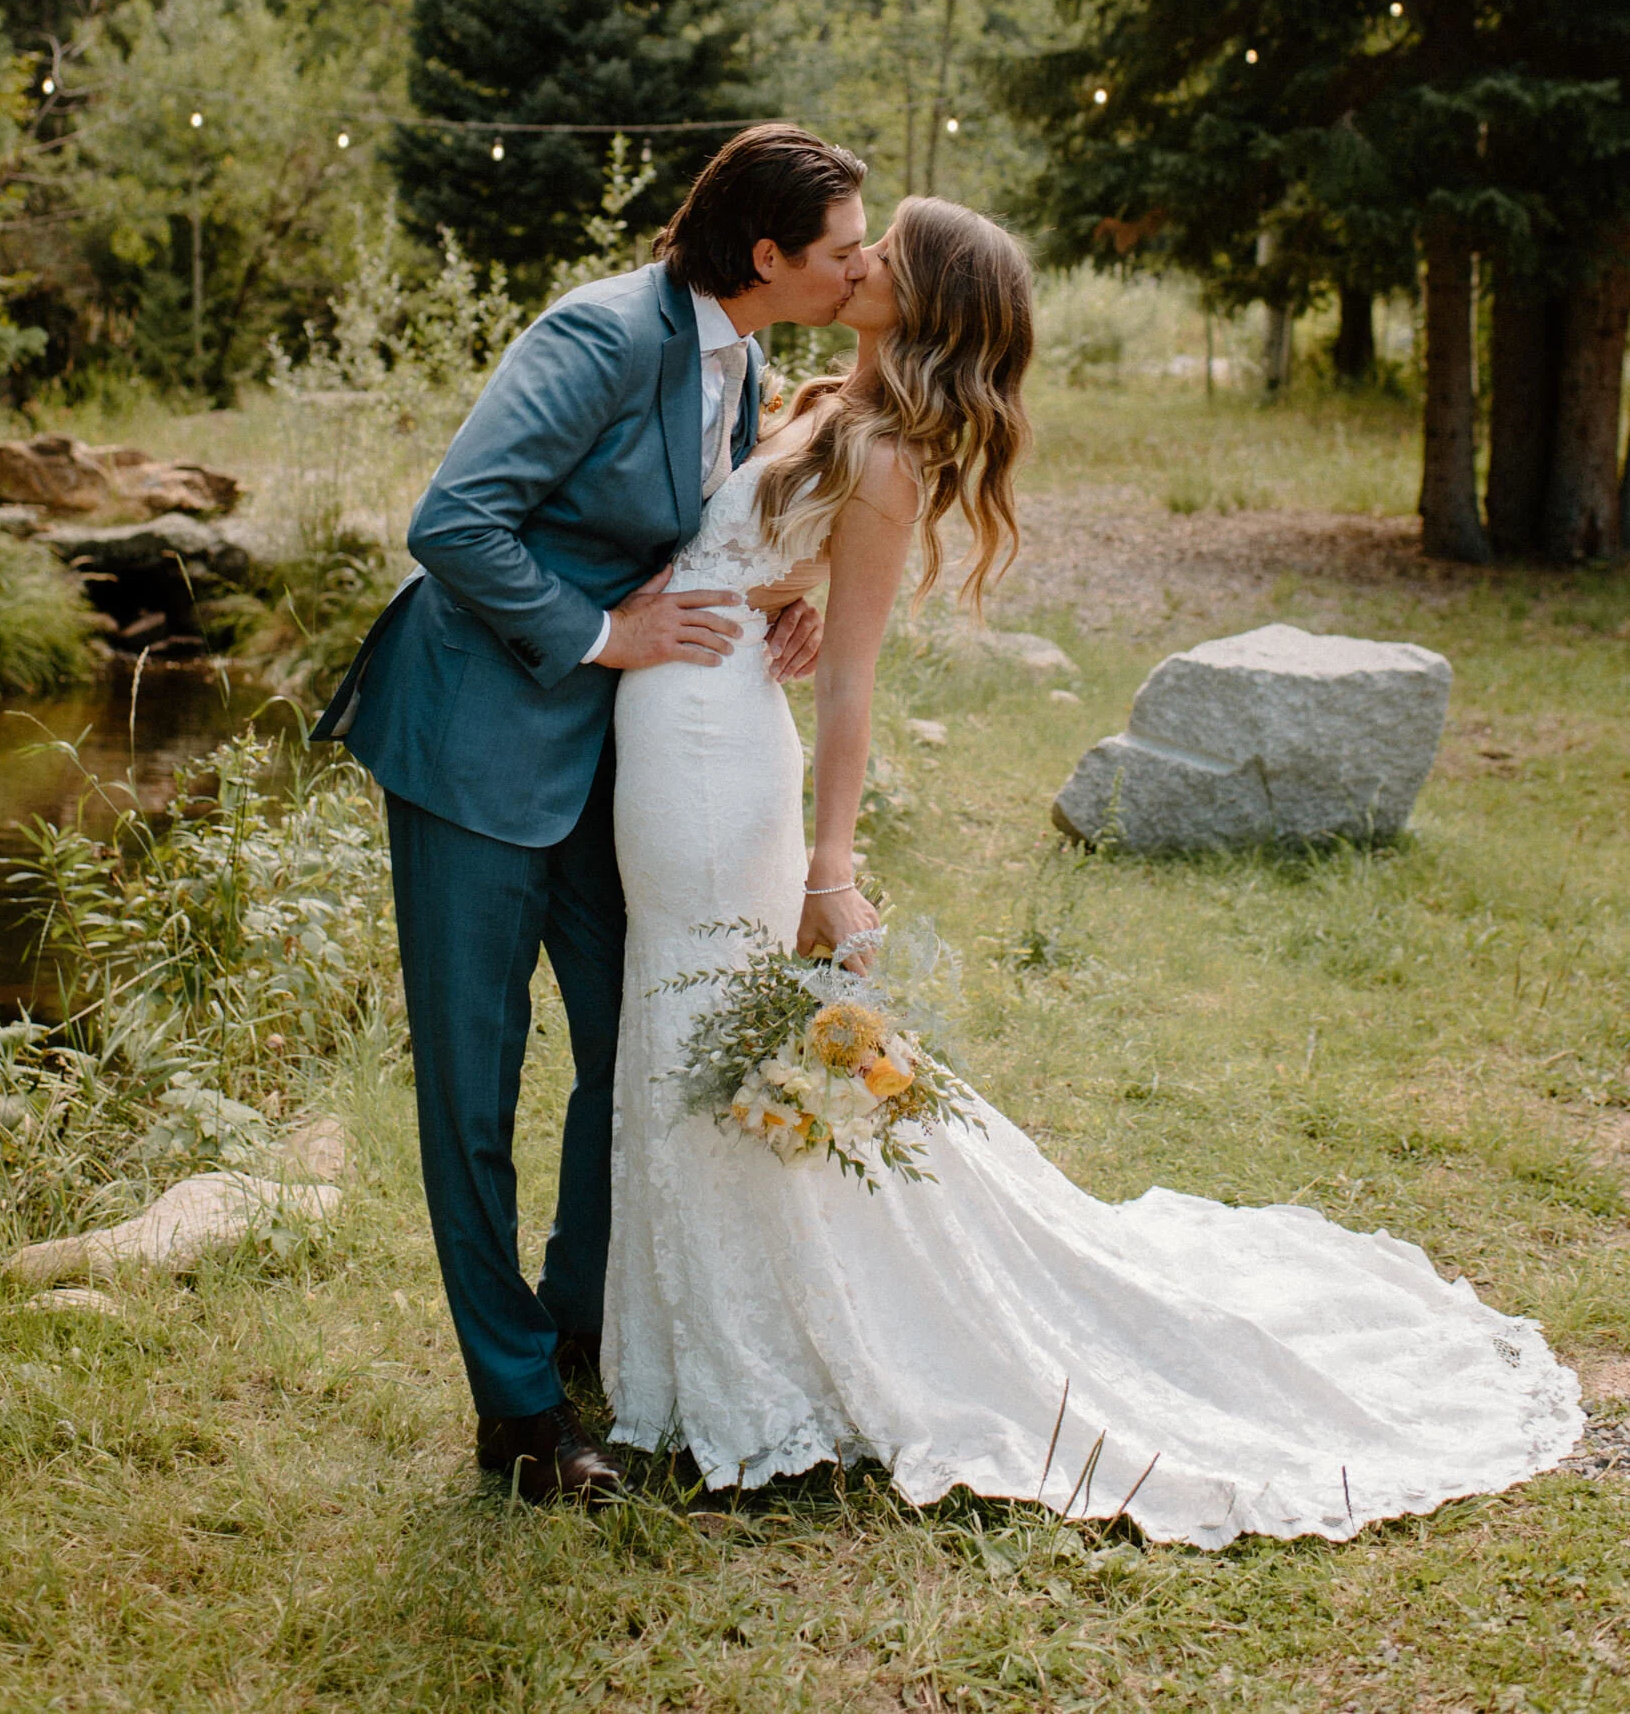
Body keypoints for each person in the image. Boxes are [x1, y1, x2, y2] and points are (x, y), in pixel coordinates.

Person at [604, 195, 1583, 1546]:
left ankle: (752, 1371)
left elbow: (851, 683)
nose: (861, 259)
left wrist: (832, 869)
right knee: (692, 1022)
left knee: (707, 1023)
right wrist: (770, 594)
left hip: (720, 760)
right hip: (683, 718)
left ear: (932, 303)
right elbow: (750, 557)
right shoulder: (822, 401)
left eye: (888, 250)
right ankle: (705, 1346)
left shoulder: (885, 457)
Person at [313, 122, 874, 1502]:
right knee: (474, 1084)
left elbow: (688, 538)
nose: (861, 271)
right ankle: (517, 1413)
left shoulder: (740, 360)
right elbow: (454, 523)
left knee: (632, 1035)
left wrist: (776, 604)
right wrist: (603, 636)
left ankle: (576, 1316)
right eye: (844, 251)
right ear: (767, 256)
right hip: (472, 740)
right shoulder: (603, 334)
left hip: (613, 757)